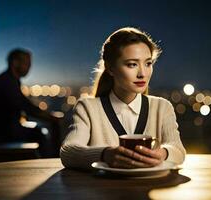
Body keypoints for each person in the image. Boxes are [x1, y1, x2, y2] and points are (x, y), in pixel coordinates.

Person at [60, 27, 186, 169]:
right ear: (110, 68)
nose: (142, 74)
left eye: (148, 63)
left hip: (151, 187)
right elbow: (68, 151)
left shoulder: (162, 107)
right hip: (102, 190)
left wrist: (163, 154)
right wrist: (105, 154)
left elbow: (178, 150)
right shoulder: (88, 107)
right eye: (132, 64)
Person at [0, 48, 60, 157]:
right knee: (39, 135)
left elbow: (22, 104)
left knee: (38, 132)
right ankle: (50, 165)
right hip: (1, 134)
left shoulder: (8, 80)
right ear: (15, 62)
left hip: (0, 132)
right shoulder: (7, 82)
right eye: (26, 63)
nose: (29, 67)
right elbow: (25, 105)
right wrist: (50, 117)